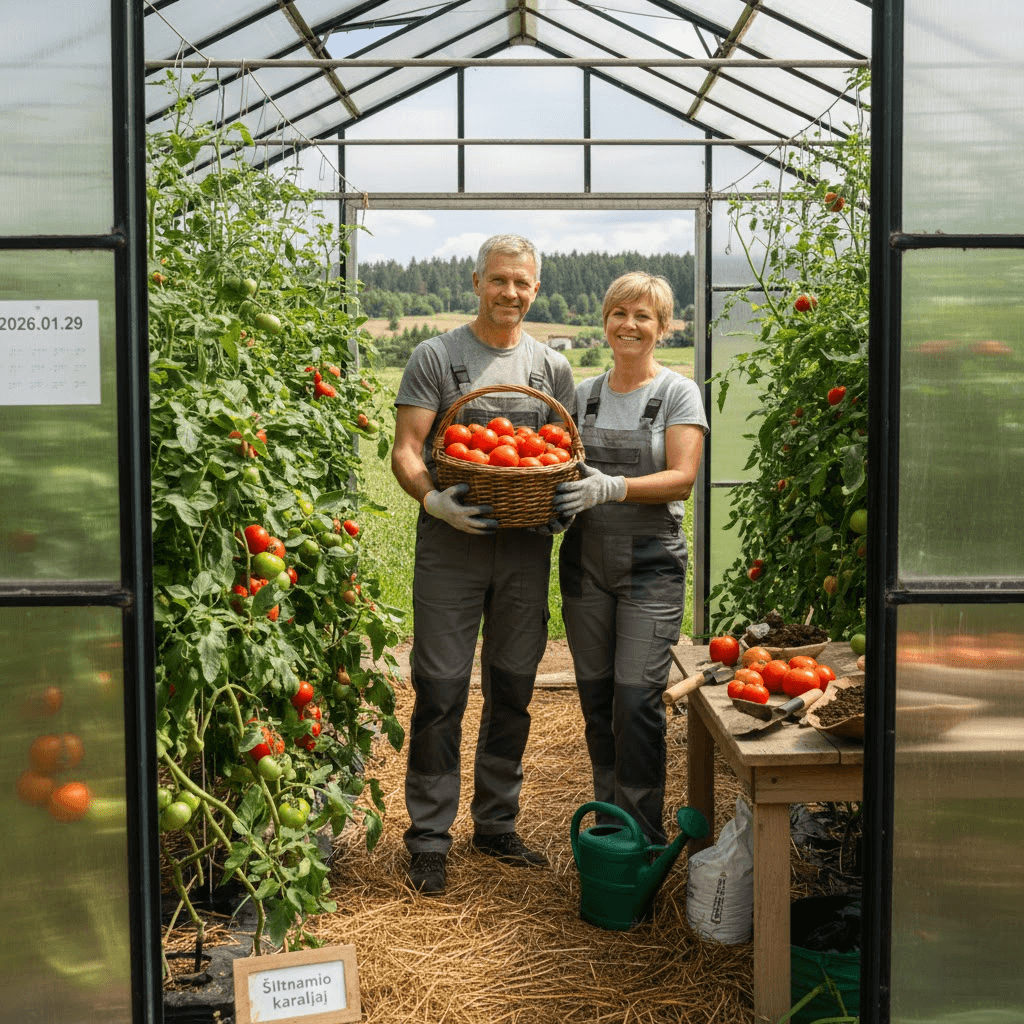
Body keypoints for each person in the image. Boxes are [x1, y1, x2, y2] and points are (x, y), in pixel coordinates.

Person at [391, 234, 577, 894]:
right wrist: (434, 501)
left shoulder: (550, 369)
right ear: (477, 282)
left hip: (524, 547)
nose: (510, 293)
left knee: (513, 686)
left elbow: (560, 454)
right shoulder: (436, 357)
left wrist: (564, 505)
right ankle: (430, 835)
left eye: (522, 282)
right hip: (452, 547)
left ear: (535, 287)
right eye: (499, 280)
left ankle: (497, 823)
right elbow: (408, 449)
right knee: (440, 687)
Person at [552, 272, 708, 847]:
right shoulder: (583, 395)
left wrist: (613, 487)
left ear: (663, 327)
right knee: (596, 697)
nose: (630, 325)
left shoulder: (677, 393)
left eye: (644, 316)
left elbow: (683, 478)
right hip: (587, 562)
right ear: (605, 321)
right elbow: (559, 466)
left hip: (649, 564)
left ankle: (640, 836)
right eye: (620, 313)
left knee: (637, 700)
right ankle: (608, 819)